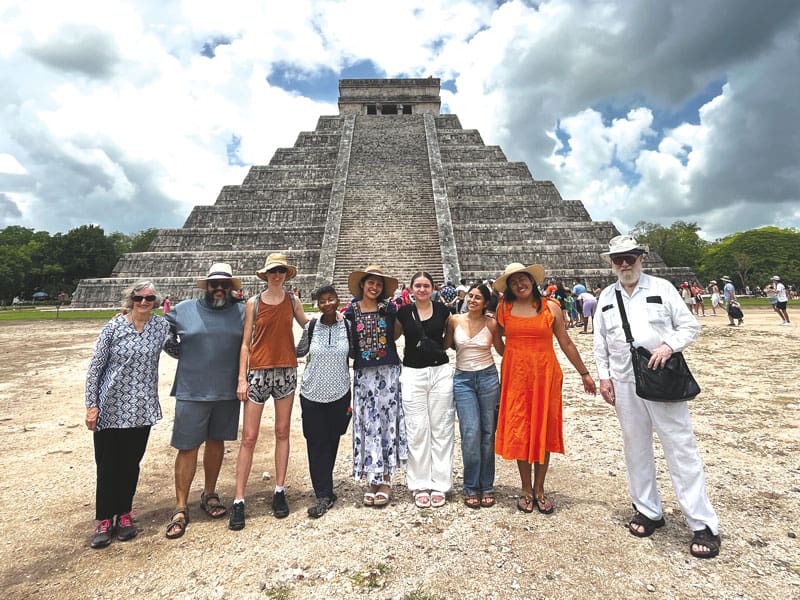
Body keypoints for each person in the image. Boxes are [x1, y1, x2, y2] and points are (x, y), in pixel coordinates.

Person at [593, 235, 721, 559]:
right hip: (623, 382)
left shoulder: (662, 288)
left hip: (662, 378)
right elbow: (600, 343)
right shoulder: (606, 296)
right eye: (618, 258)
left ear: (641, 258)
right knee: (636, 448)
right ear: (611, 262)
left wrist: (668, 346)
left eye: (630, 257)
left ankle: (703, 523)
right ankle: (648, 510)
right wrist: (604, 377)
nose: (624, 264)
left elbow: (689, 326)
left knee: (680, 448)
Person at [493, 263, 596, 514]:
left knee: (543, 428)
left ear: (532, 280)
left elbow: (566, 341)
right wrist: (515, 358)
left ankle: (539, 488)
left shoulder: (551, 307)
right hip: (516, 378)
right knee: (520, 430)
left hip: (545, 375)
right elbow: (498, 340)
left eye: (523, 279)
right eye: (514, 281)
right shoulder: (504, 308)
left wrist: (584, 373)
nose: (519, 284)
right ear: (509, 287)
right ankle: (525, 488)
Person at [162, 263, 246, 539]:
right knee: (187, 447)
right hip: (192, 389)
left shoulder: (243, 312)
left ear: (232, 288)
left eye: (225, 284)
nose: (219, 288)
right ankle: (180, 506)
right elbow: (158, 330)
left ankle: (209, 493)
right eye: (214, 284)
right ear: (207, 286)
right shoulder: (183, 309)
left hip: (227, 390)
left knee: (216, 443)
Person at [84, 281, 170, 549]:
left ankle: (124, 514)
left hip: (141, 409)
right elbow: (95, 368)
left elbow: (179, 348)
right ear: (130, 299)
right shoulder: (113, 327)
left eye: (149, 298)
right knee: (107, 464)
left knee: (131, 464)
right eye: (139, 297)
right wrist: (91, 405)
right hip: (110, 406)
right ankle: (103, 520)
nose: (144, 302)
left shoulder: (161, 326)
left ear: (156, 301)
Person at [230, 253, 308, 530]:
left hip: (286, 370)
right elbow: (246, 343)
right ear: (265, 275)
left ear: (286, 274)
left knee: (282, 432)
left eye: (281, 271)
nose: (277, 275)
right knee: (249, 437)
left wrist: (305, 348)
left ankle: (279, 489)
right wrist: (242, 378)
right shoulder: (253, 303)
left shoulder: (292, 301)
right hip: (259, 372)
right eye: (273, 271)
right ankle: (239, 499)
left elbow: (308, 327)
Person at [344, 266, 407, 507]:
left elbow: (397, 334)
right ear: (363, 284)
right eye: (370, 282)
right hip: (363, 373)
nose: (374, 287)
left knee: (387, 422)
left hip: (388, 371)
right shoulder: (350, 312)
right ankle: (373, 477)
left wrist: (395, 316)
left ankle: (387, 478)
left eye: (378, 284)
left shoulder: (389, 309)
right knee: (368, 424)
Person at [296, 285, 355, 518]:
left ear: (338, 300)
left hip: (340, 392)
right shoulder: (311, 327)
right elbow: (299, 352)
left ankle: (325, 486)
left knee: (332, 440)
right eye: (322, 301)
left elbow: (357, 353)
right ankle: (323, 493)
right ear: (318, 304)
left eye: (331, 299)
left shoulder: (348, 327)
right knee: (316, 442)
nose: (327, 303)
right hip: (312, 393)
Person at [396, 271, 453, 508]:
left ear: (433, 288)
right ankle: (420, 483)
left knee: (441, 427)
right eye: (417, 286)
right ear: (410, 289)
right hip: (413, 373)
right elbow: (391, 337)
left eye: (426, 286)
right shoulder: (403, 312)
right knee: (417, 429)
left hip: (440, 372)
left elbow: (448, 340)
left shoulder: (443, 311)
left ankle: (441, 483)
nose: (422, 290)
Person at [443, 283, 504, 508]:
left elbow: (502, 350)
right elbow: (446, 344)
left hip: (488, 378)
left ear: (486, 302)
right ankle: (470, 485)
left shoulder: (492, 324)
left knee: (488, 433)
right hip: (463, 379)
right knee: (470, 432)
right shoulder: (454, 320)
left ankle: (486, 484)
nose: (473, 300)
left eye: (478, 297)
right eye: (471, 296)